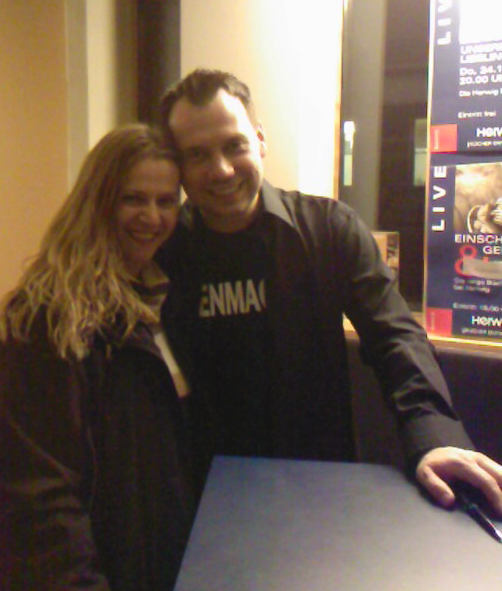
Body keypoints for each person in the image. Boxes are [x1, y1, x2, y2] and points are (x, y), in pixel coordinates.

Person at [157, 67, 502, 515]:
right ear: (178, 167)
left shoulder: (329, 229)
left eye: (234, 145)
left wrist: (433, 436)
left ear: (259, 140)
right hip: (202, 496)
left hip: (320, 488)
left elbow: (396, 338)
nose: (221, 169)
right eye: (198, 154)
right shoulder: (162, 252)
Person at [0, 124, 194, 591]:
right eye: (133, 199)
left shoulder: (154, 300)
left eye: (165, 201)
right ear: (98, 201)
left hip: (140, 590)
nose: (152, 217)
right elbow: (34, 508)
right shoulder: (49, 321)